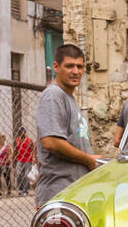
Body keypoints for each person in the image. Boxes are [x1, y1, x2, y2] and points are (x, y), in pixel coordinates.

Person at [35, 44, 104, 208]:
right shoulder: (53, 95)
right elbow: (51, 142)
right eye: (69, 66)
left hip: (73, 193)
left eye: (80, 66)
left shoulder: (69, 98)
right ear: (56, 67)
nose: (76, 71)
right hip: (58, 194)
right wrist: (89, 160)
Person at [14, 126, 34, 195]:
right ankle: (20, 189)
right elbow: (16, 150)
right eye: (19, 132)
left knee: (26, 175)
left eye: (22, 132)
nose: (20, 133)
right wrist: (14, 159)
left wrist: (33, 158)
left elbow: (33, 150)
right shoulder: (17, 140)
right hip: (19, 159)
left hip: (28, 159)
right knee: (18, 174)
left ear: (24, 132)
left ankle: (25, 190)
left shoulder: (29, 140)